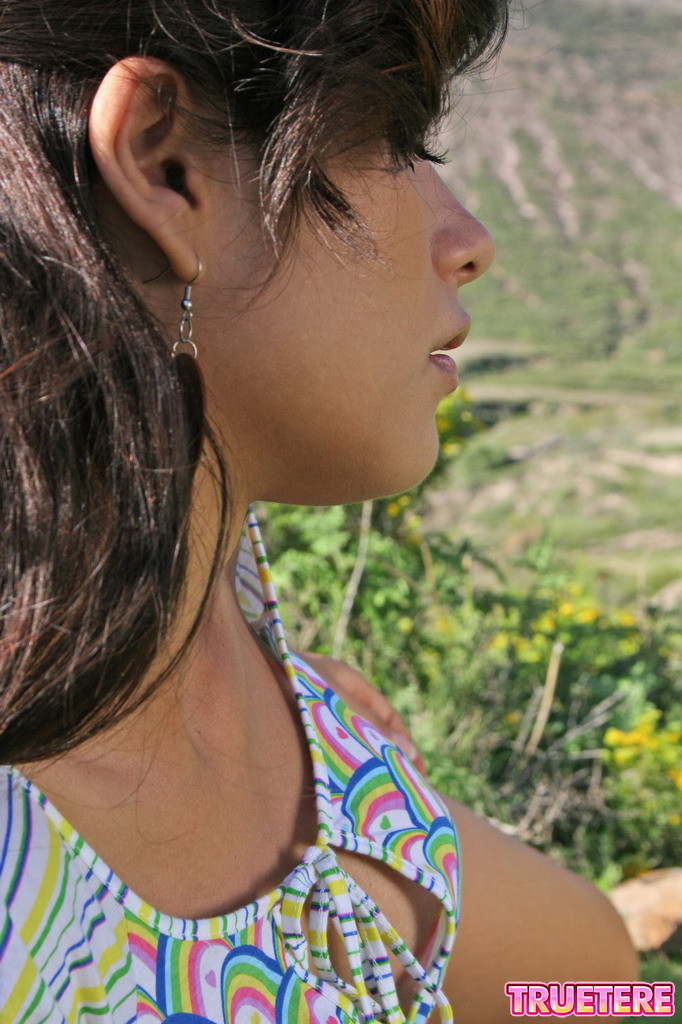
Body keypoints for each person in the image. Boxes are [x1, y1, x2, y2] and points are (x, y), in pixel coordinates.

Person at [0, 1, 637, 1021]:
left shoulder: (226, 635)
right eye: (397, 140)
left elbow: (597, 992)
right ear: (167, 166)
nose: (470, 241)